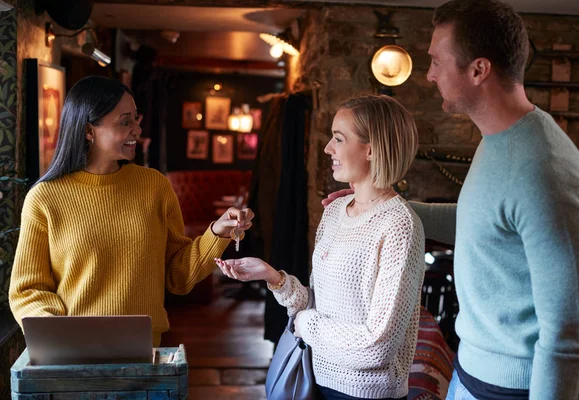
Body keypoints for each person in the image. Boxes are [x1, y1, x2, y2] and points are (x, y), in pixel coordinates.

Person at [324, 1, 579, 399]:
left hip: (516, 391)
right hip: (471, 375)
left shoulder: (545, 169)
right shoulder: (498, 141)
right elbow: (482, 222)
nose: (430, 75)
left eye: (437, 61)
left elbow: (568, 333)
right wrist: (383, 210)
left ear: (478, 69)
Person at [9, 76, 254, 347]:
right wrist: (58, 333)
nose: (137, 130)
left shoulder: (154, 187)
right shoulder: (45, 198)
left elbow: (178, 276)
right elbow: (28, 290)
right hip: (70, 355)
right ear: (89, 130)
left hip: (143, 353)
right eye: (125, 122)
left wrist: (217, 232)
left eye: (136, 119)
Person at [216, 95, 425, 400]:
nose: (327, 148)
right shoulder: (335, 211)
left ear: (371, 148)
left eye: (338, 139)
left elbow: (377, 346)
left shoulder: (399, 225)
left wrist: (305, 325)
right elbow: (317, 307)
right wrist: (274, 278)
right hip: (315, 378)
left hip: (365, 394)